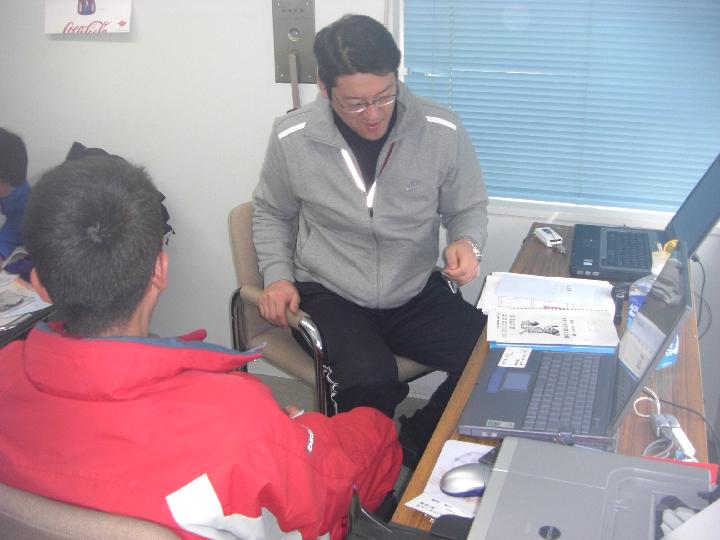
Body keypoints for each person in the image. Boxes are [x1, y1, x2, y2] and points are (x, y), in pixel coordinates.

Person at [0, 156, 401, 539]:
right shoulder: (237, 419)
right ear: (160, 270)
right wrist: (300, 435)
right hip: (281, 465)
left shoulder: (6, 368)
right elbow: (323, 503)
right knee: (376, 436)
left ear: (39, 285)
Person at [252, 14, 489, 467]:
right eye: (356, 104)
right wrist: (277, 276)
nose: (374, 114)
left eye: (384, 96)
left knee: (491, 358)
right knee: (370, 380)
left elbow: (468, 207)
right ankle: (366, 474)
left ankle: (415, 441)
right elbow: (271, 212)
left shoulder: (441, 130)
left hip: (413, 287)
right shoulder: (292, 138)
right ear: (325, 89)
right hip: (330, 291)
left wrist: (467, 242)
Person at [0, 127, 31, 262]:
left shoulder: (15, 181)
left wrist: (1, 251)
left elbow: (19, 217)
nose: (6, 192)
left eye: (11, 187)